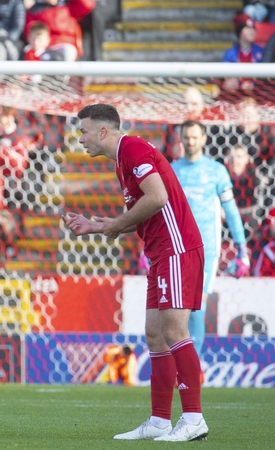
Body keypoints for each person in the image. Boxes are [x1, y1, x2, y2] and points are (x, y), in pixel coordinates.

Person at [64, 104, 208, 441]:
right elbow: (137, 216)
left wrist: (114, 223)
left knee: (174, 332)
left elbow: (157, 197)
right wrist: (97, 226)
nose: (80, 139)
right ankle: (159, 420)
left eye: (84, 131)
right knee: (155, 335)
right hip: (160, 252)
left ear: (102, 131)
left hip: (176, 248)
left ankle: (193, 419)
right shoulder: (122, 161)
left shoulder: (133, 149)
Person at [172, 121, 250, 357]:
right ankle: (181, 364)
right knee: (176, 311)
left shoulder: (216, 171)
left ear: (204, 139)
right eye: (187, 137)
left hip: (206, 250)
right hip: (176, 249)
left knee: (196, 307)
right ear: (181, 139)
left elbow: (232, 210)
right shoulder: (173, 170)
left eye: (195, 137)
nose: (191, 141)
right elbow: (160, 211)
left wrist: (242, 251)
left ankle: (191, 370)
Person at [23, 0, 95, 61]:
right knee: (30, 51)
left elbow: (87, 4)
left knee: (68, 51)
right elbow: (29, 31)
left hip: (64, 45)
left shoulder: (68, 7)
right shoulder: (35, 10)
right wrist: (40, 42)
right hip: (43, 46)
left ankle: (65, 76)